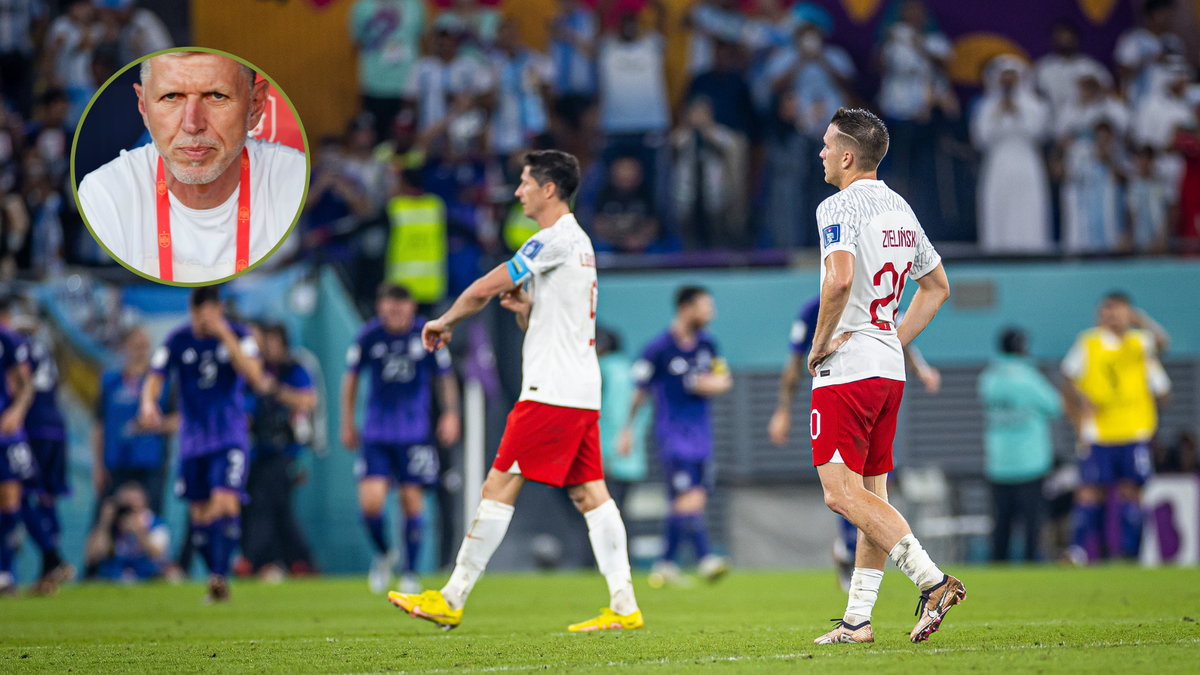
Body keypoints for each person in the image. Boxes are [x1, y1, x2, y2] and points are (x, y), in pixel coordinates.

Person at [389, 150, 643, 632]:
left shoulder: (551, 240)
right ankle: (624, 605)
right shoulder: (578, 244)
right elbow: (552, 321)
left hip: (551, 392)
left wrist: (443, 321)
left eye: (526, 182)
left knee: (498, 484)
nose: (518, 191)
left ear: (549, 189)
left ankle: (452, 596)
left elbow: (486, 286)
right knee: (592, 497)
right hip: (577, 387)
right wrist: (527, 310)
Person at [806, 108, 959, 645]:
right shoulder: (900, 207)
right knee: (873, 493)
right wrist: (892, 340)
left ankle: (932, 581)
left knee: (840, 493)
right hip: (887, 370)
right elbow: (937, 286)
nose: (821, 153)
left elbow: (839, 279)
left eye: (827, 145)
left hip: (847, 368)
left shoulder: (837, 207)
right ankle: (857, 620)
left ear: (848, 155)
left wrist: (820, 342)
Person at [77, 51, 306, 282]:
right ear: (143, 106)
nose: (192, 124)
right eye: (171, 96)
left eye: (217, 96)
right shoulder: (106, 192)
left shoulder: (289, 179)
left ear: (255, 105)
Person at [768, 294, 940, 590]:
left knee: (869, 488)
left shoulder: (874, 297)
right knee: (846, 486)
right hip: (839, 393)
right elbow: (795, 361)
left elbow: (900, 335)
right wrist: (782, 410)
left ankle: (866, 595)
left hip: (876, 392)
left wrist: (920, 368)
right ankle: (904, 573)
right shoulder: (814, 309)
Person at [139, 286, 268, 602]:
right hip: (194, 439)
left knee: (225, 502)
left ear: (220, 310)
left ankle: (219, 576)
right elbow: (156, 374)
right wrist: (147, 403)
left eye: (213, 311)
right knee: (199, 514)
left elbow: (254, 375)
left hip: (229, 436)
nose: (206, 318)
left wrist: (225, 336)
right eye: (201, 312)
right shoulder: (177, 339)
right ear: (193, 311)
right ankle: (216, 577)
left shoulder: (239, 334)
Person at [341, 283, 461, 595]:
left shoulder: (426, 334)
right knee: (371, 504)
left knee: (412, 502)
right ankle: (384, 554)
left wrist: (449, 413)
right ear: (381, 307)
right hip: (377, 433)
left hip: (415, 434)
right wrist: (347, 422)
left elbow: (444, 376)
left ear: (411, 307)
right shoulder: (369, 336)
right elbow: (351, 378)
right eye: (389, 305)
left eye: (401, 305)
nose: (395, 312)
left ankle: (409, 572)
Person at [620, 286, 732, 587]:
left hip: (702, 437)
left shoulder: (708, 344)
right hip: (673, 436)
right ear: (686, 308)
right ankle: (705, 557)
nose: (712, 313)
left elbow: (724, 379)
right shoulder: (658, 349)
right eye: (706, 307)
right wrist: (627, 430)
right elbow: (639, 392)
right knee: (689, 497)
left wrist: (710, 384)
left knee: (690, 498)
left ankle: (665, 563)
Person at [1061, 292, 1170, 563]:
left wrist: (1142, 321)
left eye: (1119, 311)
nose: (1112, 317)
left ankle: (1129, 554)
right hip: (1098, 432)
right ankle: (1080, 552)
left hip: (1135, 431)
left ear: (1129, 313)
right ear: (1100, 315)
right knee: (1090, 490)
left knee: (1132, 491)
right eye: (1107, 312)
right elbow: (1067, 379)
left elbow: (1163, 345)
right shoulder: (1088, 342)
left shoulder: (1140, 342)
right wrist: (1078, 414)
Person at [979, 328, 1062, 562]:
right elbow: (1055, 405)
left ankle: (998, 566)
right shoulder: (1029, 378)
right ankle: (1031, 563)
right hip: (1030, 463)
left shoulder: (987, 379)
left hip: (998, 463)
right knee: (1031, 523)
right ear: (1022, 348)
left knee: (1001, 523)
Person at [242, 322, 317, 579]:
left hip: (285, 450)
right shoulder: (253, 371)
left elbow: (308, 400)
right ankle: (293, 561)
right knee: (269, 507)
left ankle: (259, 559)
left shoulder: (293, 369)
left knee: (270, 504)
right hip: (256, 450)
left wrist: (275, 390)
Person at [15, 315, 74, 593]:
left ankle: (53, 559)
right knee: (47, 497)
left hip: (32, 427)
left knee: (20, 494)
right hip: (56, 427)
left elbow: (19, 385)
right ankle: (47, 575)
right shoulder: (43, 346)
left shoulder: (14, 345)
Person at [971, 55, 1052, 255]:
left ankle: (1033, 250)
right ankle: (998, 250)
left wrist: (1017, 111)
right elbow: (981, 138)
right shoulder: (988, 105)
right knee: (999, 204)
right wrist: (999, 112)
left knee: (1028, 207)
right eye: (1004, 76)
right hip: (998, 163)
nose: (1008, 81)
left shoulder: (1034, 104)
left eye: (1012, 76)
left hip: (1026, 162)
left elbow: (1039, 132)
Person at [94, 326, 175, 515]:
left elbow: (179, 420)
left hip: (150, 466)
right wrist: (98, 465)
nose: (141, 351)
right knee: (104, 524)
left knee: (150, 524)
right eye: (136, 346)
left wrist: (154, 425)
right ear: (125, 348)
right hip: (116, 466)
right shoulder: (110, 382)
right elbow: (99, 425)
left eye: (145, 346)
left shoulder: (163, 383)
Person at [348, 0, 426, 142]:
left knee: (405, 138)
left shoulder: (414, 5)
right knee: (375, 138)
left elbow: (422, 38)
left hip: (407, 85)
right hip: (374, 84)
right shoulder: (362, 6)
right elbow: (357, 42)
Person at [0, 295, 32, 595]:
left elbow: (24, 385)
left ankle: (6, 572)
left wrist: (17, 412)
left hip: (5, 433)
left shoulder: (8, 339)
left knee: (10, 498)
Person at [596, 327, 647, 512]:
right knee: (620, 510)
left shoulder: (603, 368)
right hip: (630, 456)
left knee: (604, 510)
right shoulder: (630, 368)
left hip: (607, 455)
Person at [85, 481, 171, 582]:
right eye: (125, 502)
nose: (129, 507)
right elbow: (92, 557)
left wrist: (138, 531)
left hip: (146, 575)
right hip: (113, 576)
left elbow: (157, 553)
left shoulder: (154, 523)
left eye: (134, 501)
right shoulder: (110, 525)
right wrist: (105, 522)